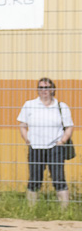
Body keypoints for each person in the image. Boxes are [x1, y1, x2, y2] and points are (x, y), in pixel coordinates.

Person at [18, 77, 73, 209]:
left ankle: (64, 211)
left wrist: (62, 141)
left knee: (59, 179)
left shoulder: (61, 106)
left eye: (47, 87)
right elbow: (22, 125)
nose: (44, 91)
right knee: (34, 180)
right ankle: (31, 210)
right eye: (41, 88)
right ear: (38, 89)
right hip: (36, 147)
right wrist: (27, 140)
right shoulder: (30, 105)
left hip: (55, 147)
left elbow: (69, 127)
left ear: (53, 89)